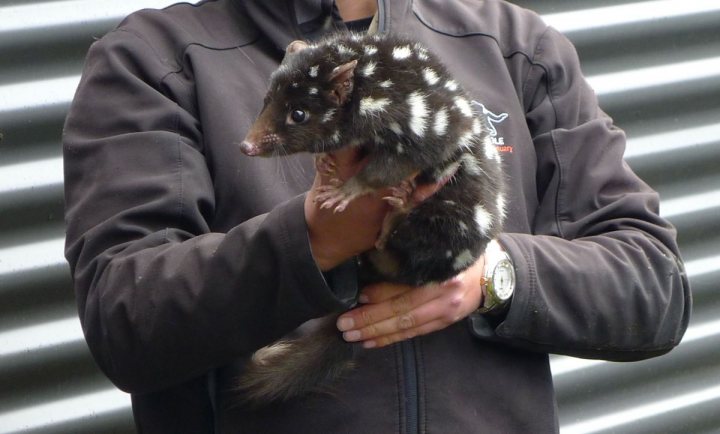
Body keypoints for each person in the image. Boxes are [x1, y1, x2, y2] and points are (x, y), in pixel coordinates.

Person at [62, 0, 691, 432]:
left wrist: (493, 278)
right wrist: (313, 240)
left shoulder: (513, 48)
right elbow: (127, 320)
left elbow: (652, 286)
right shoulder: (156, 61)